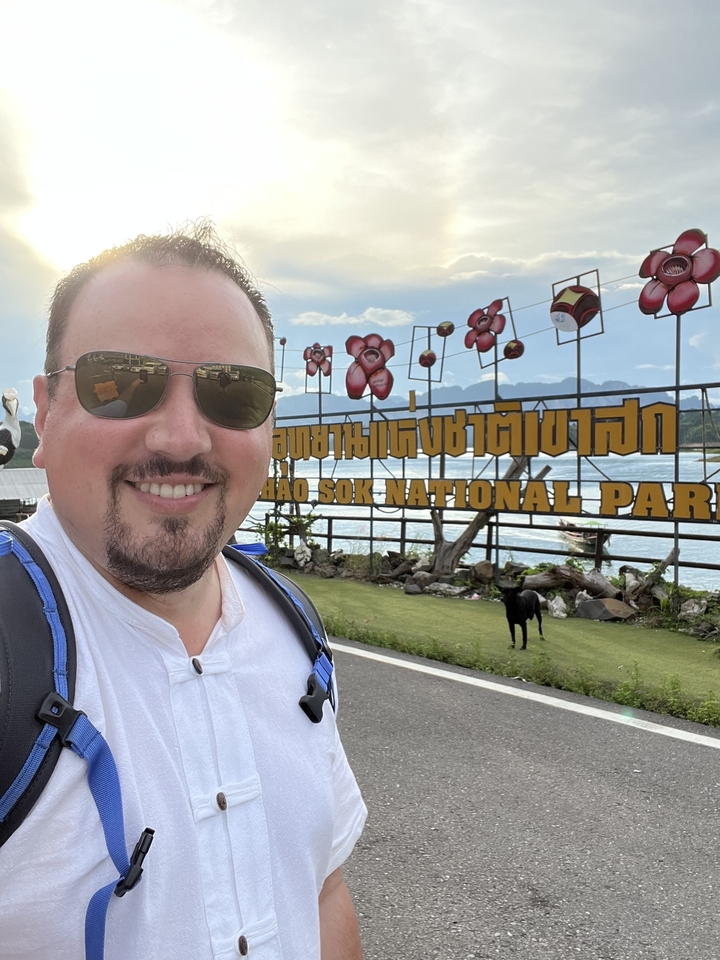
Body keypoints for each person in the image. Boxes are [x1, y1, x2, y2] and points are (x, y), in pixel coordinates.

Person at [0, 223, 367, 959]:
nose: (180, 438)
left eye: (232, 392)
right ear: (45, 411)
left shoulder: (288, 624)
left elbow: (322, 893)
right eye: (120, 382)